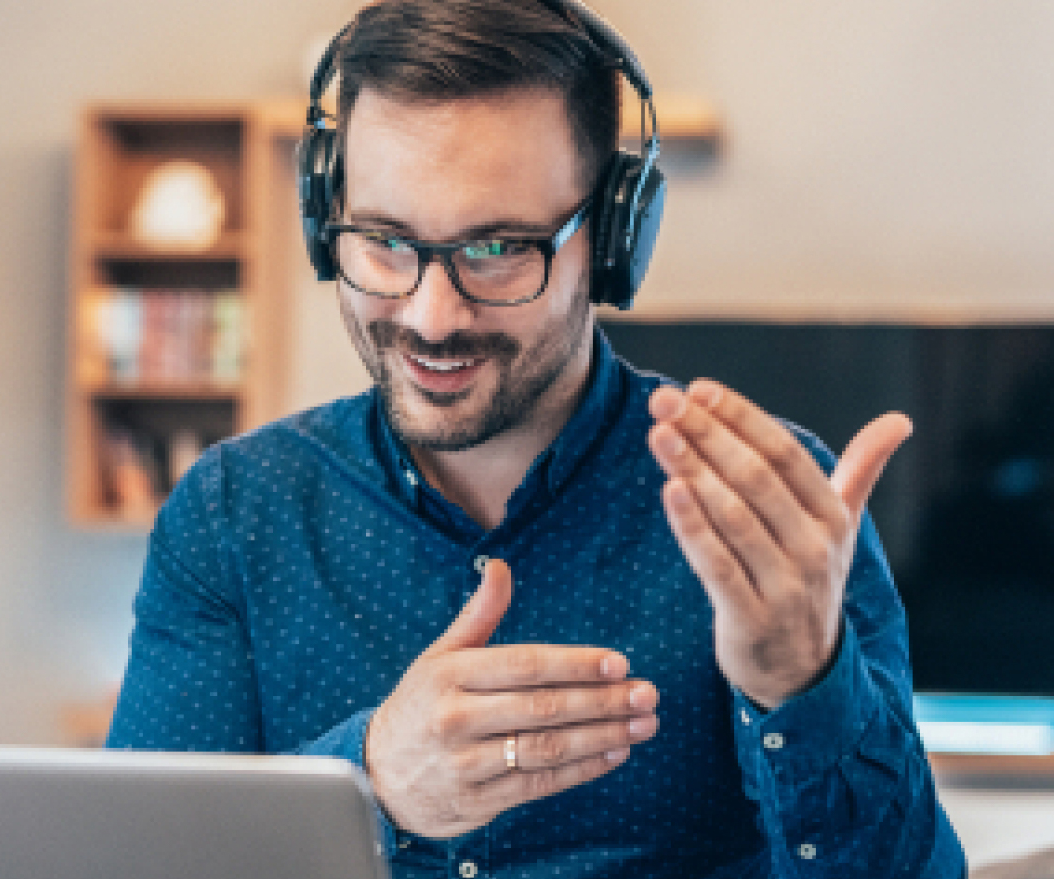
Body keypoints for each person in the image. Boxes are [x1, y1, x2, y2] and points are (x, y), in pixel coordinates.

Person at [106, 1, 967, 876]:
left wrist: (802, 681)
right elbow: (128, 863)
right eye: (384, 240)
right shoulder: (230, 514)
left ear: (611, 239)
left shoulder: (769, 505)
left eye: (498, 248)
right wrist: (366, 779)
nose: (430, 316)